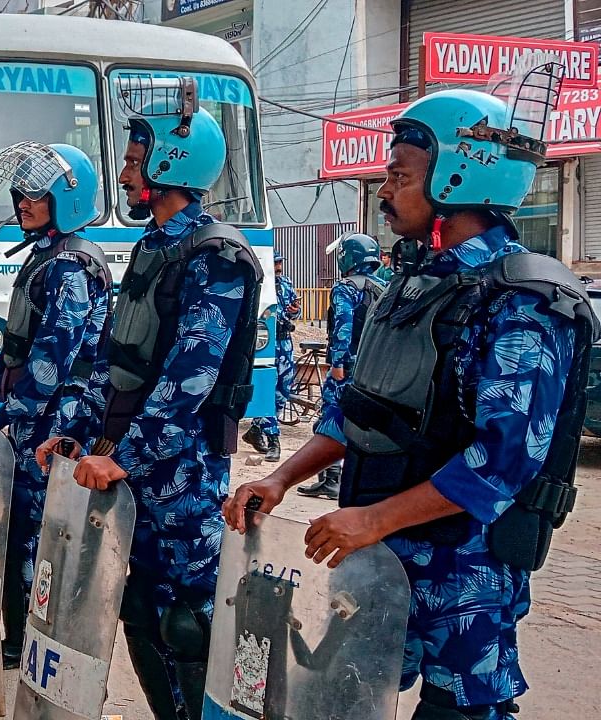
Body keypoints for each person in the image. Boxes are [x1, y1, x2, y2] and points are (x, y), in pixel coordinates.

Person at [224, 75, 597, 720]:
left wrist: (372, 520)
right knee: (339, 697)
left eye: (400, 174)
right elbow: (356, 414)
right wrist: (281, 479)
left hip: (463, 572)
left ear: (455, 177)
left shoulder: (524, 303)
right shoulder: (411, 283)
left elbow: (502, 462)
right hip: (380, 557)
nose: (384, 189)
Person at [37, 84, 262, 719]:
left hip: (182, 468)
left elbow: (189, 379)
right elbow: (120, 360)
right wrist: (82, 432)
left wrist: (124, 457)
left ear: (170, 165)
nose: (127, 172)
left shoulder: (215, 256)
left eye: (136, 161)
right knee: (140, 608)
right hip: (137, 462)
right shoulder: (152, 248)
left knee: (188, 620)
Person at [0, 141, 112, 669]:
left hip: (55, 422)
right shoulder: (43, 260)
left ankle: (35, 640)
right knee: (15, 534)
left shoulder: (71, 266)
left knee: (40, 540)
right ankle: (17, 636)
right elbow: (15, 350)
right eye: (21, 192)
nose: (23, 202)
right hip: (31, 418)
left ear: (67, 198)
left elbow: (51, 363)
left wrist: (4, 414)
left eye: (37, 193)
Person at [292, 232, 385, 500]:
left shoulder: (345, 288)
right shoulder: (382, 287)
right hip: (374, 367)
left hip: (350, 365)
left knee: (331, 417)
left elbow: (343, 328)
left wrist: (337, 363)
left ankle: (330, 479)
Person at [242, 254, 300, 461]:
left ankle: (256, 428)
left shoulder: (286, 284)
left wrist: (294, 311)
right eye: (275, 263)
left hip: (284, 342)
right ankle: (273, 439)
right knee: (267, 389)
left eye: (280, 263)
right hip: (265, 343)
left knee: (284, 390)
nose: (278, 266)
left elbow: (295, 313)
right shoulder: (260, 284)